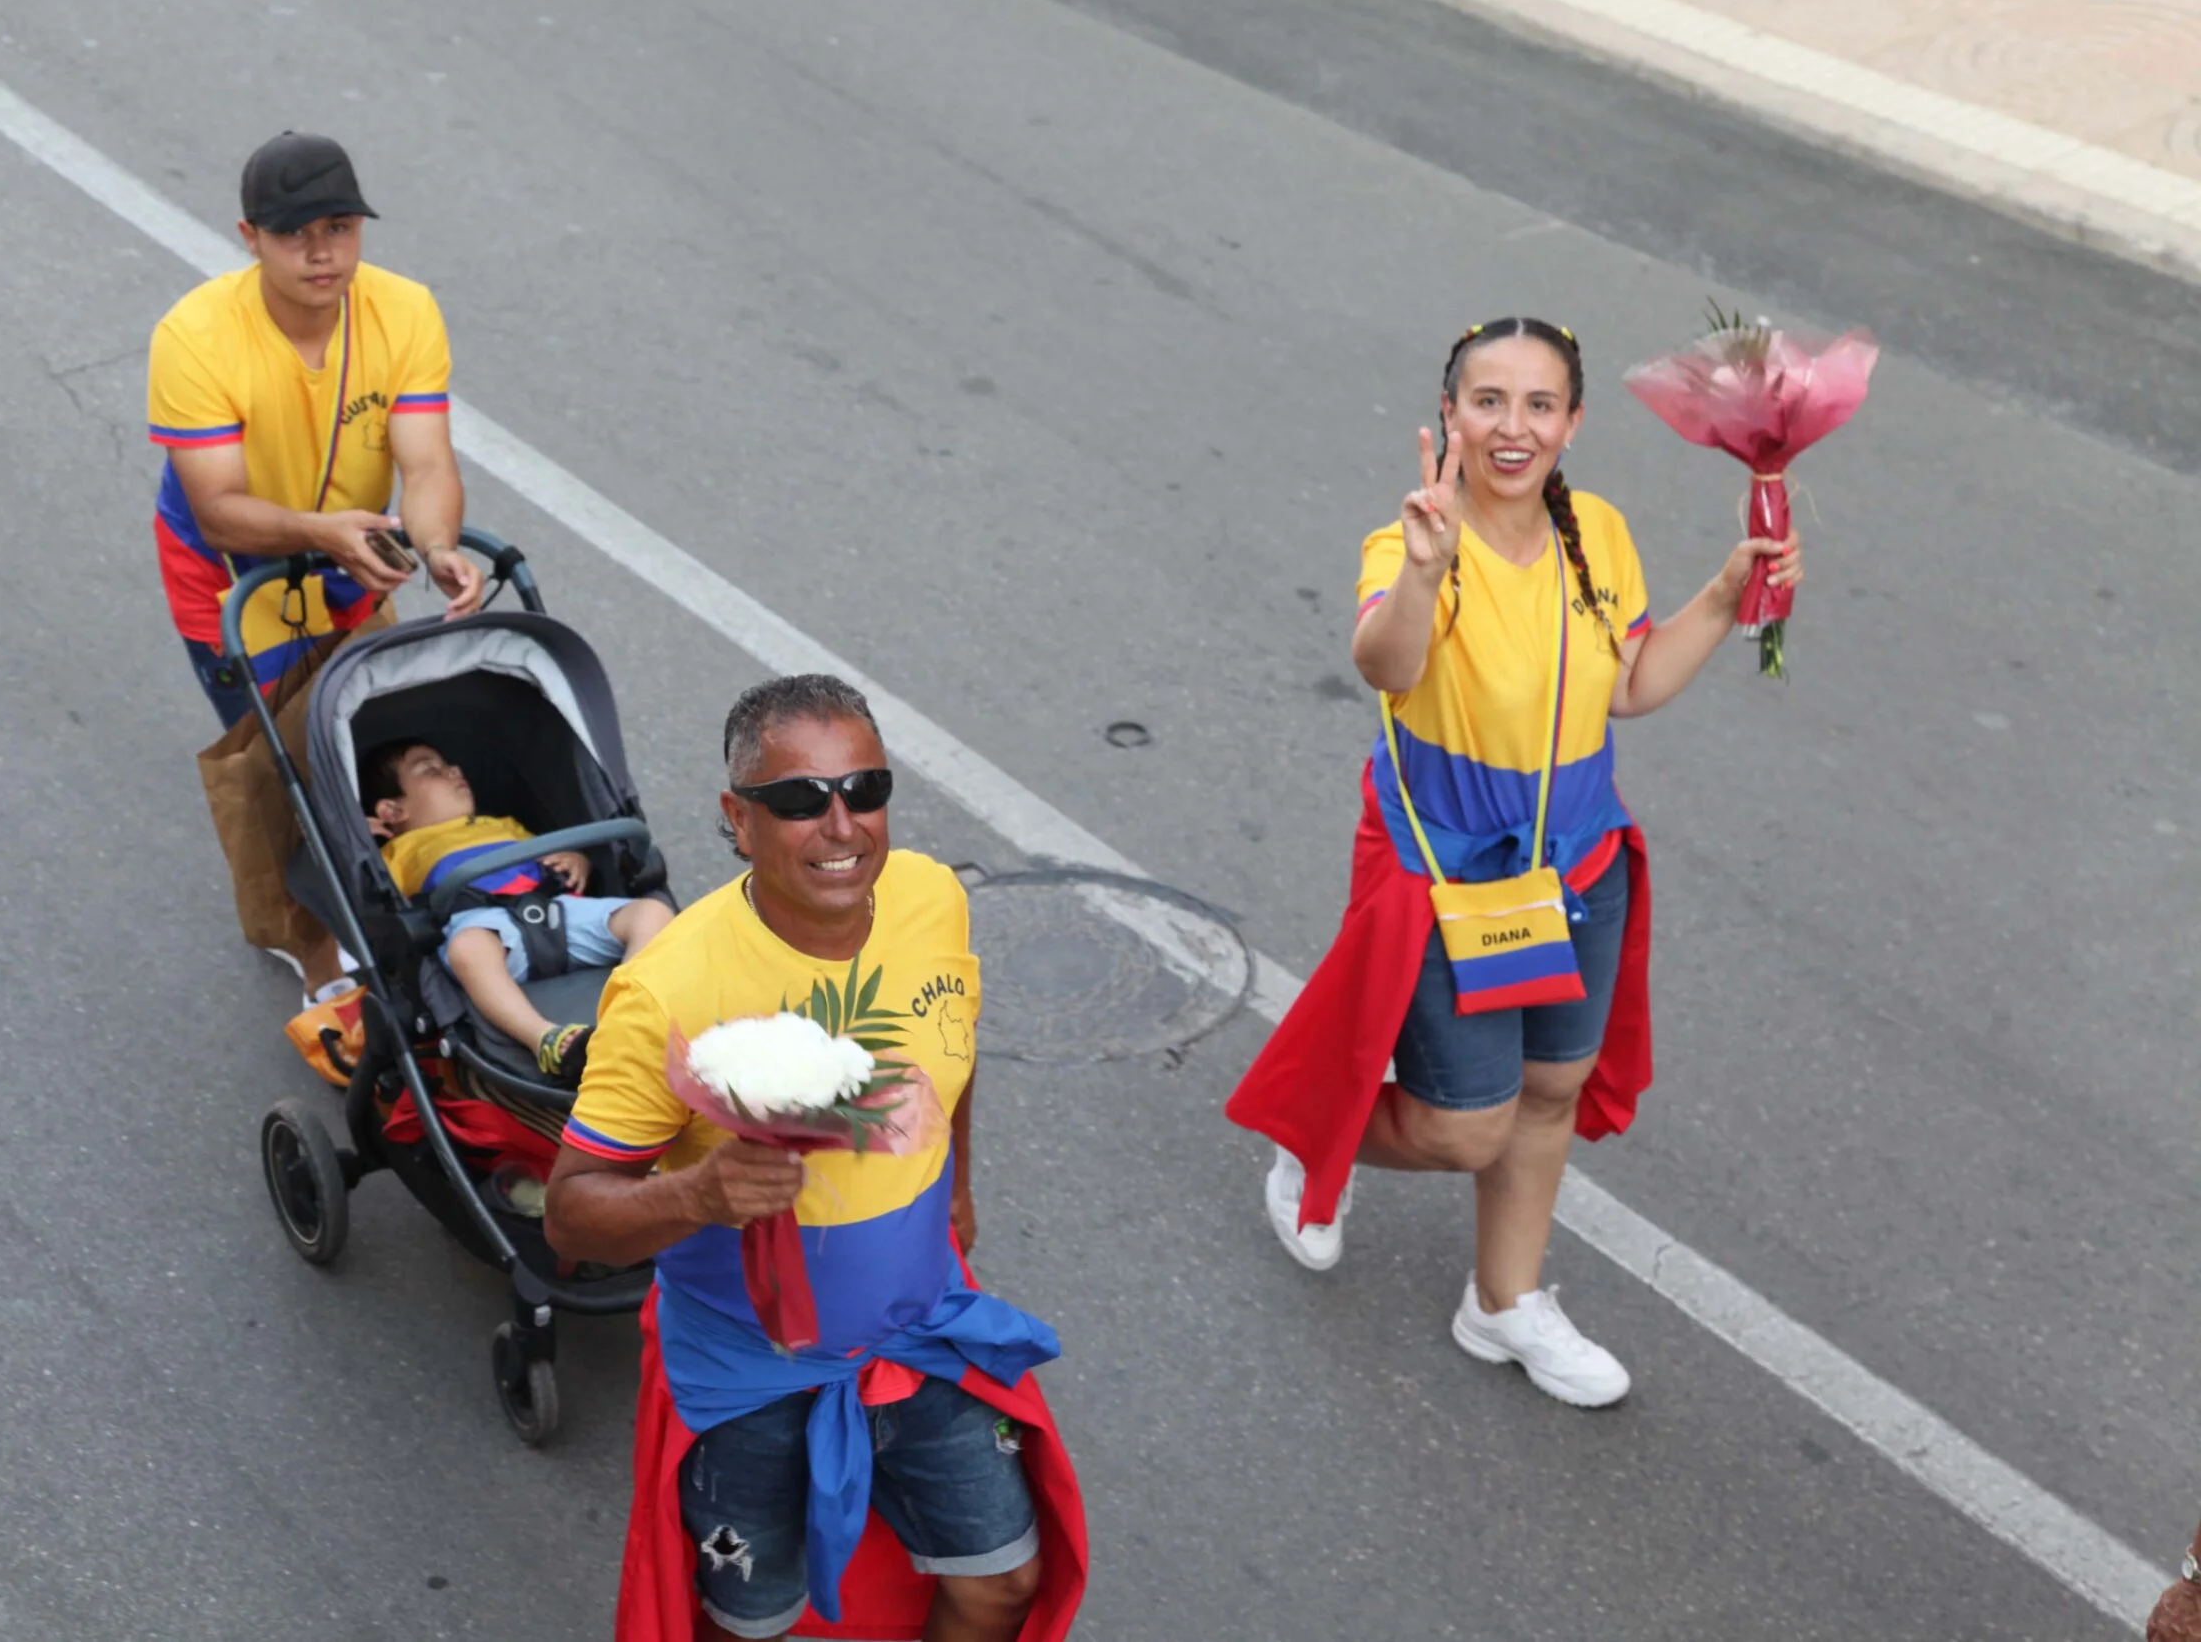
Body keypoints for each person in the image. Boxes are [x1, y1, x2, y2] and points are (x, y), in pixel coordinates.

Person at [1227, 317, 1803, 1408]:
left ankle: (1502, 1303)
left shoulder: (1599, 531)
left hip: (1577, 866)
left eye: (1539, 405)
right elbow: (1385, 668)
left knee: (1548, 1091)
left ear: (1571, 423)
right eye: (1487, 400)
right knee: (1460, 1124)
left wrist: (1726, 597)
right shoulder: (1409, 541)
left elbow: (1627, 685)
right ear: (1448, 415)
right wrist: (1425, 571)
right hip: (1450, 875)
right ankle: (1318, 1146)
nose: (1512, 425)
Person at [544, 675, 1085, 1642]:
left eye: (864, 789)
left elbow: (952, 1052)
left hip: (917, 1333)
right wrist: (701, 1192)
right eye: (799, 799)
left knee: (1003, 1579)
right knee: (750, 1622)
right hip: (748, 1375)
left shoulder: (930, 898)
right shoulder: (667, 986)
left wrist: (957, 1188)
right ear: (736, 820)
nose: (841, 825)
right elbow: (572, 1215)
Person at [145, 130, 482, 1037]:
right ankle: (310, 943)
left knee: (362, 745)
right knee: (278, 764)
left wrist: (439, 544)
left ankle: (394, 894)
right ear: (250, 236)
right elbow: (216, 506)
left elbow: (426, 458)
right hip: (232, 584)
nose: (323, 251)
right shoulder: (194, 336)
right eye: (297, 234)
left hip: (351, 565)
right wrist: (323, 533)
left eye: (339, 226)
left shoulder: (405, 312)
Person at [335, 739, 673, 1081]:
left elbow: (548, 855)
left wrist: (577, 860)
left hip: (552, 909)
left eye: (450, 764)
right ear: (392, 811)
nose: (454, 770)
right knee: (468, 948)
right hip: (485, 925)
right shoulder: (399, 850)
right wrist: (360, 841)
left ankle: (629, 1009)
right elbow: (374, 896)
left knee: (652, 912)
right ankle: (545, 1037)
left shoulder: (504, 825)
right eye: (430, 768)